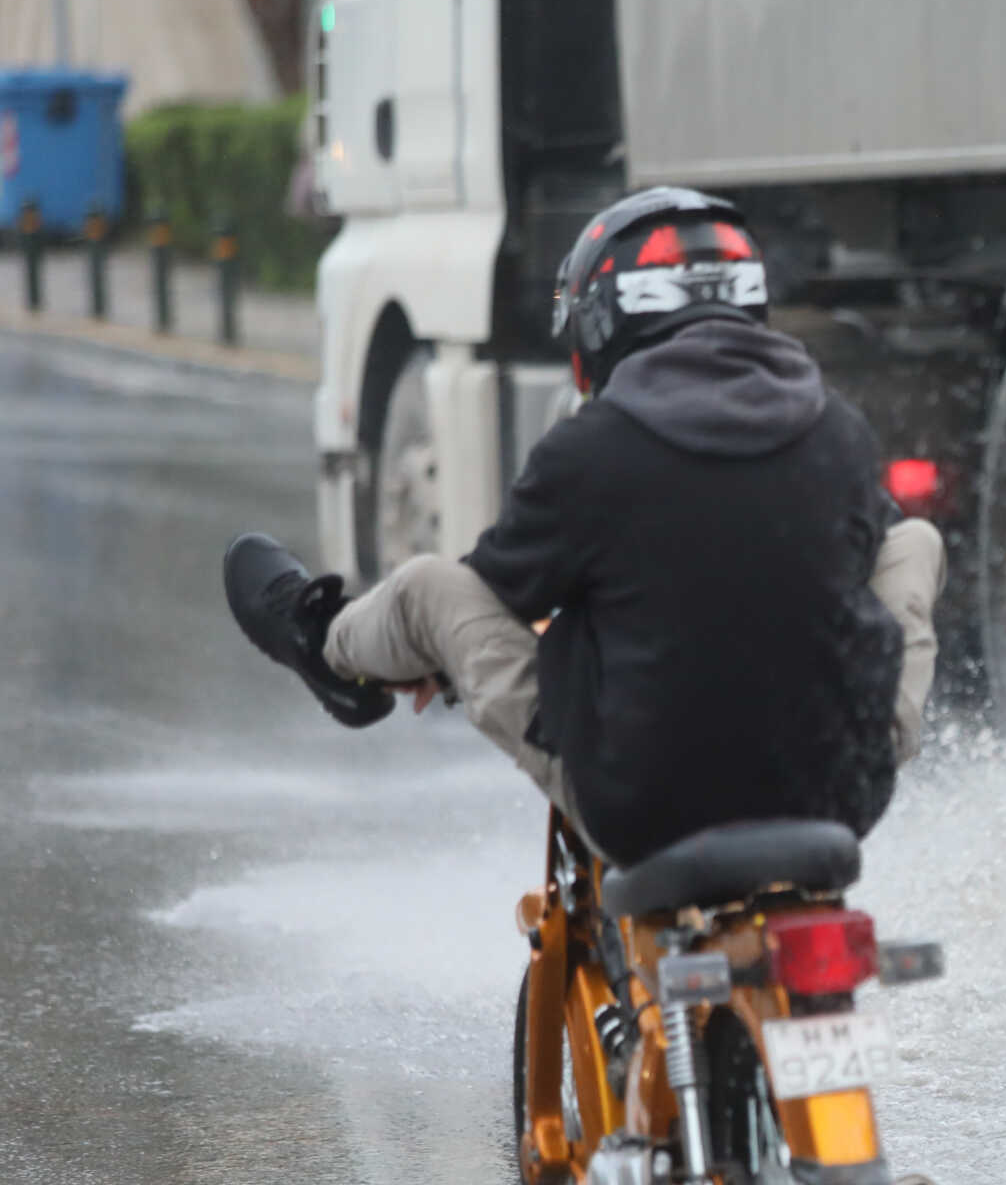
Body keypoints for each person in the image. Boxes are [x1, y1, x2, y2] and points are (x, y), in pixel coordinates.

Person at [221, 187, 944, 867]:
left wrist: (424, 656)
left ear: (603, 326)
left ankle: (328, 648)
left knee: (432, 590)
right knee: (914, 541)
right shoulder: (837, 434)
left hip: (644, 806)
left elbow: (495, 595)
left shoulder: (592, 449)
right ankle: (870, 740)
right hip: (843, 794)